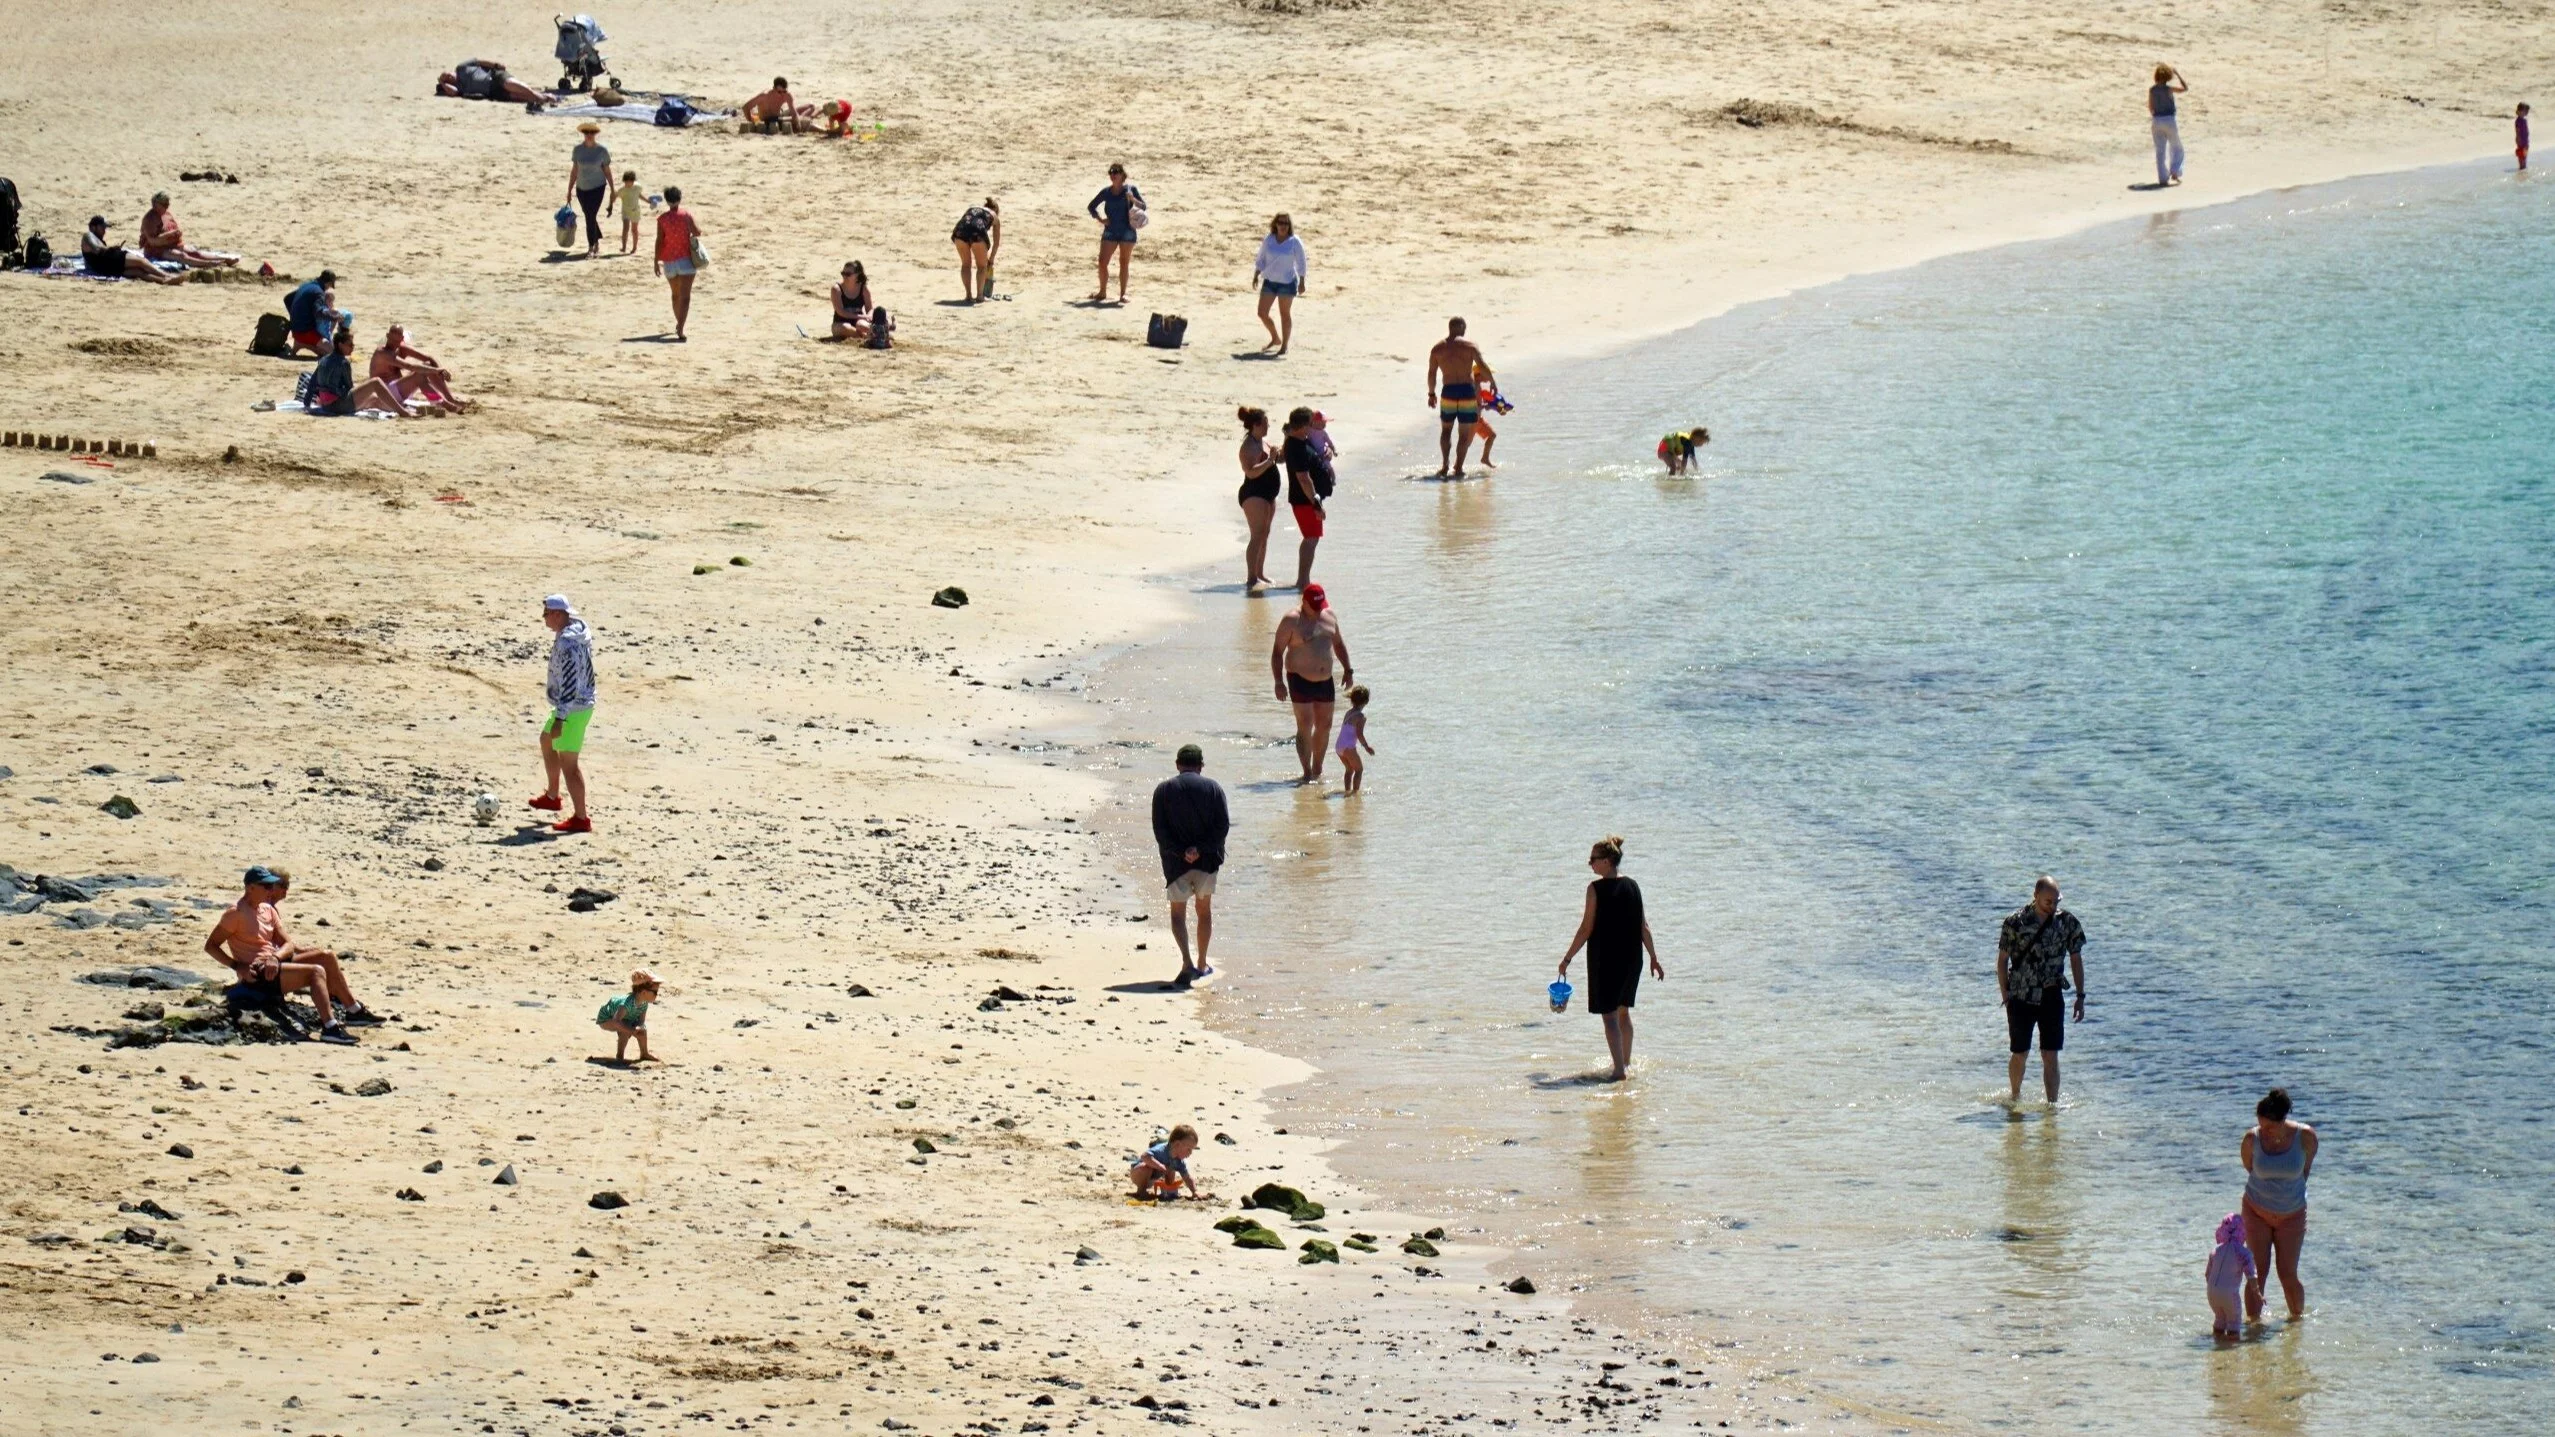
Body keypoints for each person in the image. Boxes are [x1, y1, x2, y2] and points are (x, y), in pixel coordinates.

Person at [203, 866, 370, 1044]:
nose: (271, 890)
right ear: (250, 888)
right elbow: (211, 946)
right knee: (316, 972)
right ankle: (330, 1028)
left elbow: (288, 944)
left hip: (275, 964)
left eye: (272, 886)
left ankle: (354, 1011)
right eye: (266, 887)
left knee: (326, 956)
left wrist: (275, 958)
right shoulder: (235, 913)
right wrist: (237, 966)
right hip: (258, 974)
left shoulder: (268, 910)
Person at [1556, 836, 1663, 1082]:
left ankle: (1618, 1071)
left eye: (1593, 860)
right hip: (1632, 960)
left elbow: (1586, 929)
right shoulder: (1634, 886)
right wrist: (1654, 959)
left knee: (1610, 1017)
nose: (1590, 864)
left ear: (1607, 861)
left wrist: (1567, 959)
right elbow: (1644, 927)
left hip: (1605, 960)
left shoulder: (1595, 889)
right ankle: (1626, 1063)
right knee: (1623, 1013)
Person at [1995, 875, 2086, 1103]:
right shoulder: (2015, 922)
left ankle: (2051, 1108)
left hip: (2051, 994)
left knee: (2050, 1054)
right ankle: (2015, 1097)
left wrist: (2080, 995)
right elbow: (2002, 960)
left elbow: (2076, 959)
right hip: (2021, 996)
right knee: (2020, 1053)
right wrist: (2005, 993)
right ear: (2035, 896)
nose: (2053, 906)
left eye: (2057, 901)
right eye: (2048, 902)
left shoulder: (2067, 923)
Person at [1150, 744, 1230, 988]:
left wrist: (1181, 852)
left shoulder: (1163, 790)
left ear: (1177, 765)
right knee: (1203, 911)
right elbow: (1222, 827)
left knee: (1178, 914)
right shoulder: (1214, 788)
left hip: (1176, 864)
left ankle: (1186, 961)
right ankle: (1203, 962)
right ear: (1201, 766)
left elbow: (1160, 831)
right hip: (1206, 863)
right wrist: (1201, 850)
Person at [2240, 1087, 2317, 1322]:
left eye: (2269, 1126)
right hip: (2256, 1211)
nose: (2264, 1130)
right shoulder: (2252, 1139)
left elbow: (2305, 1170)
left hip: (2292, 1214)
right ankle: (2253, 1325)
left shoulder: (2305, 1137)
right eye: (2261, 1125)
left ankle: (2296, 1323)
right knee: (2256, 1273)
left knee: (2287, 1273)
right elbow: (2249, 1168)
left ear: (2282, 1120)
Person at [1271, 584, 1354, 783]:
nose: (1318, 611)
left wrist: (1348, 669)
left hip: (1325, 680)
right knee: (1305, 725)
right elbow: (1277, 652)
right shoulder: (1291, 620)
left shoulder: (1329, 616)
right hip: (1299, 679)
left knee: (1325, 725)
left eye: (1320, 606)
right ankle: (1306, 771)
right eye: (1314, 607)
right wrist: (1278, 682)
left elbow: (1339, 644)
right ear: (1304, 602)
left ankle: (1317, 768)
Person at [531, 593, 596, 832]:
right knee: (547, 739)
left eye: (546, 614)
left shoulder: (568, 644)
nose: (544, 618)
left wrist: (561, 717)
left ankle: (581, 819)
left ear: (558, 615)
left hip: (573, 709)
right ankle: (552, 796)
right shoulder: (573, 631)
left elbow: (570, 682)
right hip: (570, 705)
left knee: (569, 764)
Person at [1426, 318, 1495, 477]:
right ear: (1462, 328)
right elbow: (1482, 365)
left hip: (1448, 391)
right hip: (1466, 392)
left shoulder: (1437, 349)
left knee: (1446, 431)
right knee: (1463, 433)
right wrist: (1492, 382)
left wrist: (1431, 393)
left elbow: (1432, 373)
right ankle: (1458, 469)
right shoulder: (1470, 346)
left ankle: (1444, 466)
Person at [306, 328, 416, 417]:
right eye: (350, 345)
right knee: (375, 383)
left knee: (373, 399)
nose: (353, 347)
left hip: (325, 405)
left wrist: (307, 404)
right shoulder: (343, 362)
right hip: (337, 406)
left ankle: (399, 408)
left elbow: (312, 383)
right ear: (340, 345)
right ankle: (402, 412)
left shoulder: (323, 359)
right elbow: (349, 387)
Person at [1281, 406, 1331, 590]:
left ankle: (1303, 579)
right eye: (1311, 425)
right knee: (1311, 538)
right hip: (1305, 500)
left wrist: (1327, 452)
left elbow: (1317, 455)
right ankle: (1303, 581)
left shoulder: (1303, 440)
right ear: (1303, 427)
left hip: (1308, 499)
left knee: (1312, 538)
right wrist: (1316, 503)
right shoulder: (1295, 446)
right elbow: (1303, 478)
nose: (1314, 428)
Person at [370, 324, 469, 412]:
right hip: (385, 396)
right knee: (419, 376)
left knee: (427, 365)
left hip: (400, 393)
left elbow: (429, 358)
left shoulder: (402, 349)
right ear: (387, 336)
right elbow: (409, 366)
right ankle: (441, 402)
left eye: (397, 341)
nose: (394, 343)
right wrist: (436, 370)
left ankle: (449, 399)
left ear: (402, 339)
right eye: (392, 339)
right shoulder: (381, 353)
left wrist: (440, 371)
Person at [1235, 407, 1280, 593]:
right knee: (1256, 535)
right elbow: (1251, 471)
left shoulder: (1262, 442)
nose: (1269, 425)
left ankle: (1259, 573)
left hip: (1268, 493)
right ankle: (1251, 577)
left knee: (1265, 533)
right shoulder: (1248, 446)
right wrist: (1270, 460)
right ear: (1256, 425)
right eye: (1266, 422)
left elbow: (1273, 460)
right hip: (1253, 493)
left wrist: (1279, 455)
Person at [1087, 163, 1143, 303]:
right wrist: (1100, 219)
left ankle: (1123, 294)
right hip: (1110, 231)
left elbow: (1143, 206)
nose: (1113, 175)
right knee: (1102, 262)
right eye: (1111, 172)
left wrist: (1133, 199)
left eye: (1116, 172)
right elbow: (1091, 206)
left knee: (1124, 262)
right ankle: (1102, 292)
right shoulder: (1106, 192)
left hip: (1127, 231)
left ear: (1122, 175)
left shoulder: (1131, 189)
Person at [1252, 213, 1306, 353]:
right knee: (1262, 312)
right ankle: (1275, 337)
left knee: (1284, 314)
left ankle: (1284, 346)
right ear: (1275, 224)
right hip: (1270, 280)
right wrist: (1256, 274)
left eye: (1286, 223)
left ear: (1289, 226)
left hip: (1287, 282)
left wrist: (1302, 281)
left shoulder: (1294, 241)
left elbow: (1301, 261)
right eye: (1280, 223)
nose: (1283, 226)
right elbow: (1261, 257)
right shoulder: (1269, 239)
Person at [138, 193, 235, 269]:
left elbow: (173, 228)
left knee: (195, 252)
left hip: (171, 244)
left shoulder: (166, 214)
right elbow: (152, 241)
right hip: (155, 250)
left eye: (167, 203)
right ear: (155, 205)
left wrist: (176, 234)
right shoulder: (149, 219)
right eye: (164, 204)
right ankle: (210, 264)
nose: (167, 206)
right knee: (181, 256)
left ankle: (224, 259)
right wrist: (168, 235)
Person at [653, 185, 701, 341]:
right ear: (679, 199)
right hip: (686, 260)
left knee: (675, 295)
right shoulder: (686, 215)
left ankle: (678, 322)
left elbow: (659, 241)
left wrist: (655, 261)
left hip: (669, 261)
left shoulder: (662, 219)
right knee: (686, 297)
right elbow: (697, 231)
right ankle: (681, 327)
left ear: (667, 201)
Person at [77, 217, 184, 284]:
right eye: (102, 227)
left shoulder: (97, 239)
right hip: (109, 260)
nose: (105, 230)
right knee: (141, 262)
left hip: (104, 268)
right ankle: (166, 275)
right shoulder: (88, 236)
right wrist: (113, 248)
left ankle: (163, 281)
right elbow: (97, 249)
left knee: (138, 272)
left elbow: (92, 256)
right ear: (93, 227)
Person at [2204, 1210, 2255, 1339]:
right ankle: (2231, 1353)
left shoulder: (2215, 1251)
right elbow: (2251, 1276)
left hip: (2211, 1293)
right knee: (2234, 1322)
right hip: (2229, 1294)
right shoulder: (2243, 1253)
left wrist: (2216, 1289)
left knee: (2220, 1319)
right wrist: (2258, 1293)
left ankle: (2217, 1345)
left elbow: (2207, 1275)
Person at [566, 122, 612, 258]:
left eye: (592, 133)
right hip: (581, 188)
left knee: (590, 216)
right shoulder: (577, 150)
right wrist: (569, 190)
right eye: (586, 133)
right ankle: (596, 239)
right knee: (589, 215)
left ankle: (591, 247)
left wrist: (613, 190)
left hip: (598, 187)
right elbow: (574, 170)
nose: (589, 135)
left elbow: (607, 171)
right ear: (583, 134)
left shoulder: (602, 151)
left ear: (595, 134)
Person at [596, 969, 660, 1063]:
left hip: (625, 1018)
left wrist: (639, 1028)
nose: (656, 995)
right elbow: (616, 1021)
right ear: (643, 992)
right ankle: (620, 1056)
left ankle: (644, 1053)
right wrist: (631, 1030)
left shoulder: (644, 1003)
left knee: (642, 1030)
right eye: (655, 992)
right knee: (624, 1029)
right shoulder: (626, 1004)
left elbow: (641, 1021)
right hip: (606, 1018)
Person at [1130, 1125, 1201, 1200]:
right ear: (1177, 1144)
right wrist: (1159, 1166)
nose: (1190, 1153)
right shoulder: (1161, 1150)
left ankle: (1165, 1188)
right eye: (1189, 1149)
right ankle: (1141, 1191)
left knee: (1171, 1168)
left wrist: (1194, 1191)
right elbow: (1144, 1156)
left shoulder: (1178, 1161)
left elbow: (1187, 1178)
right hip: (1138, 1174)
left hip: (1152, 1179)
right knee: (1146, 1167)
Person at [283, 270, 344, 357]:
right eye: (330, 286)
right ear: (329, 283)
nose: (328, 289)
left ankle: (299, 343)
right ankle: (303, 344)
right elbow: (318, 312)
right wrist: (335, 317)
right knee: (333, 353)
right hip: (306, 332)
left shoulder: (306, 285)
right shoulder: (319, 292)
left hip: (295, 329)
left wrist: (294, 315)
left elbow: (287, 299)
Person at [437, 60, 547, 106]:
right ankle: (546, 97)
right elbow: (454, 92)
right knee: (516, 95)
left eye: (447, 74)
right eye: (447, 79)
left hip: (494, 76)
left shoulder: (461, 68)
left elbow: (479, 61)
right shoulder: (458, 87)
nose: (449, 76)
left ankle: (539, 98)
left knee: (510, 84)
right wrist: (442, 83)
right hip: (492, 91)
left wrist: (495, 65)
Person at [952, 197, 1000, 302]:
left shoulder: (973, 208)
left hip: (960, 230)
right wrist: (991, 260)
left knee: (965, 264)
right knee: (982, 266)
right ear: (996, 210)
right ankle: (979, 296)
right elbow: (996, 243)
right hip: (977, 231)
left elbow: (967, 221)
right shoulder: (994, 215)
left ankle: (968, 295)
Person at [2149, 63, 2188, 187]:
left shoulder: (2152, 90)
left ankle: (2163, 178)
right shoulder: (2169, 89)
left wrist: (2155, 116)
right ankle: (2175, 171)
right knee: (2177, 147)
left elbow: (2150, 107)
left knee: (2160, 151)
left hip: (2156, 120)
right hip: (2169, 120)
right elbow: (2185, 88)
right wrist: (2177, 74)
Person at [1335, 684, 1373, 794]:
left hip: (1339, 746)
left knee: (1349, 770)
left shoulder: (1348, 713)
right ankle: (1355, 793)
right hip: (1348, 747)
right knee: (1359, 770)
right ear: (1366, 701)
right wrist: (1366, 747)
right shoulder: (1361, 716)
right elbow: (1359, 734)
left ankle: (1347, 791)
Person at [742, 77, 807, 134]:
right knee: (800, 121)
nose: (782, 94)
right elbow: (746, 107)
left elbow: (793, 112)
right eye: (779, 92)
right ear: (773, 88)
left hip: (778, 118)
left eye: (784, 91)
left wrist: (798, 124)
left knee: (800, 121)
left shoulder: (787, 95)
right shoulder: (764, 96)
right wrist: (751, 122)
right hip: (764, 121)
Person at [830, 261, 875, 342]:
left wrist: (868, 317)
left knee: (862, 325)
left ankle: (879, 335)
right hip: (840, 323)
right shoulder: (836, 289)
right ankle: (866, 337)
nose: (844, 276)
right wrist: (862, 316)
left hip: (858, 322)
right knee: (846, 328)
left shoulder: (863, 289)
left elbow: (870, 309)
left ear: (857, 275)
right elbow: (841, 312)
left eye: (848, 274)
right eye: (843, 273)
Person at [611, 169, 645, 255]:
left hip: (635, 211)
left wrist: (648, 201)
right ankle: (624, 247)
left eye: (628, 182)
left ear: (633, 181)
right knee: (625, 228)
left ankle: (634, 247)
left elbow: (639, 195)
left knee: (634, 230)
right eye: (625, 182)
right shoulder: (622, 190)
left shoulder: (638, 187)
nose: (627, 184)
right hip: (626, 211)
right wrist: (612, 200)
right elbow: (615, 196)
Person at [2519, 103, 2532, 170]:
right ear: (2520, 111)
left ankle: (2524, 167)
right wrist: (2518, 139)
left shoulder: (2524, 120)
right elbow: (2517, 130)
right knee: (2521, 155)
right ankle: (2521, 166)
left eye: (2527, 111)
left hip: (2525, 141)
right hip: (2521, 141)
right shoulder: (2518, 121)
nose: (2526, 113)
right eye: (2525, 111)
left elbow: (2526, 130)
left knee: (2525, 155)